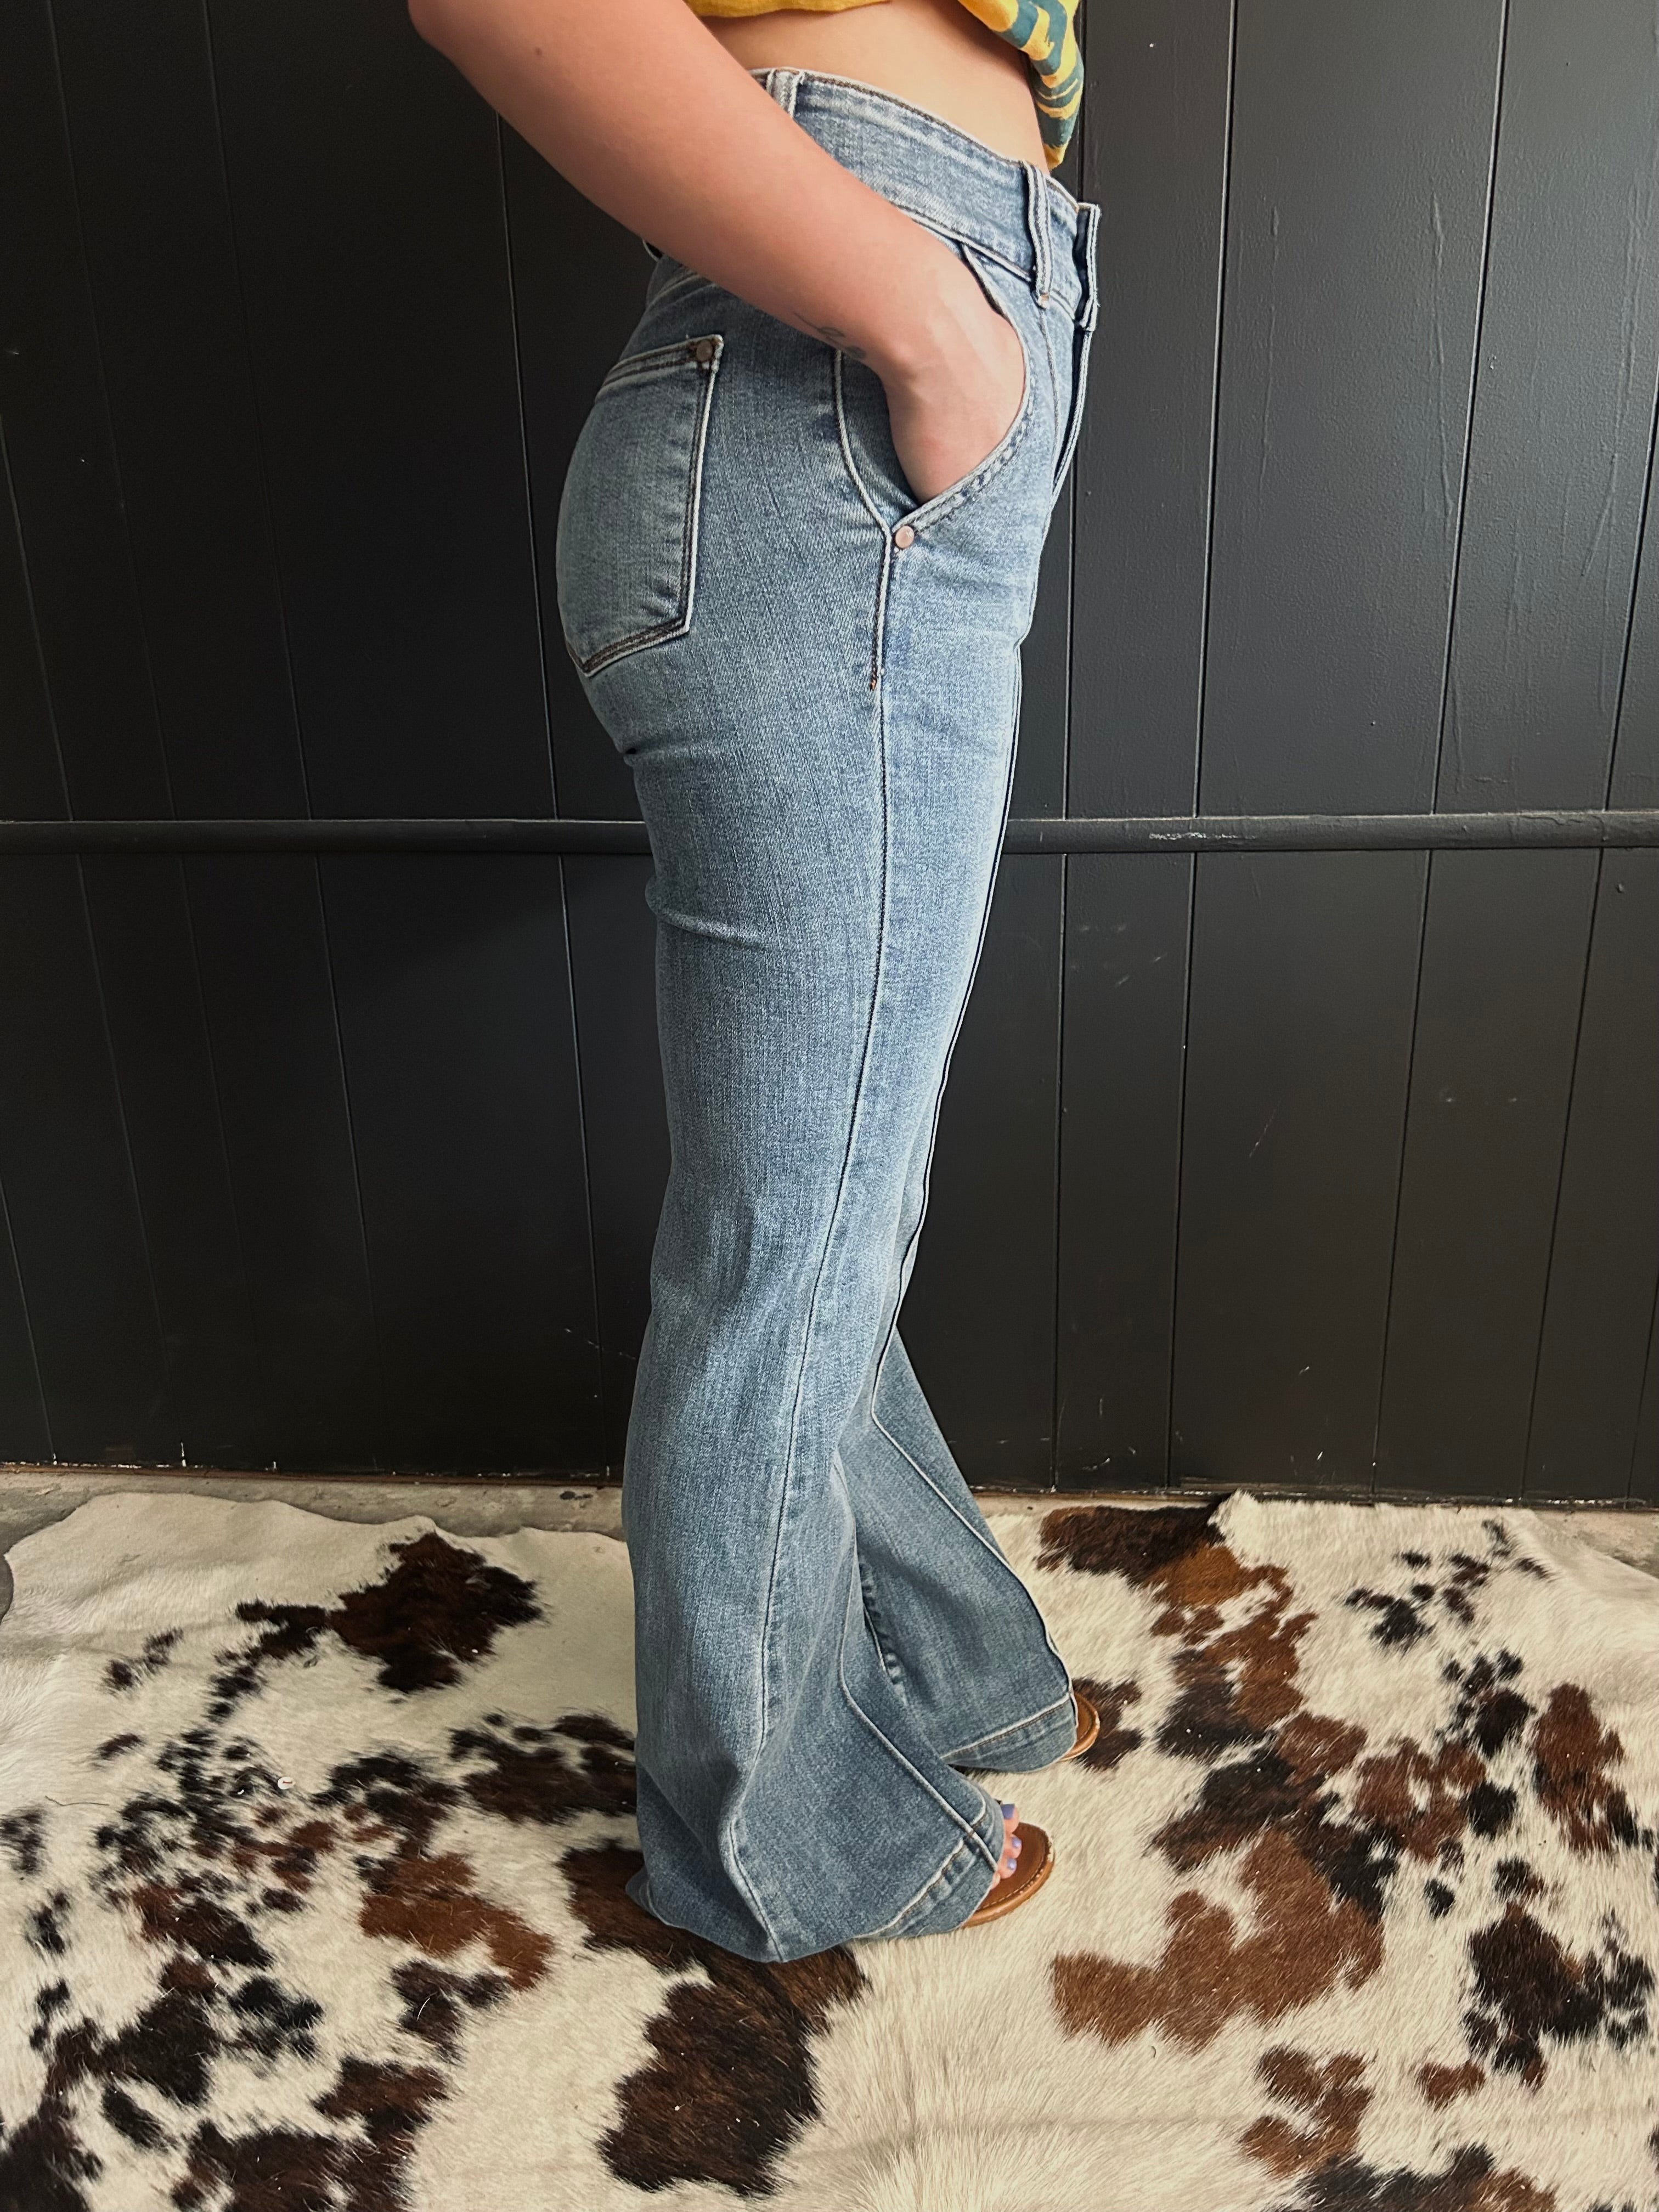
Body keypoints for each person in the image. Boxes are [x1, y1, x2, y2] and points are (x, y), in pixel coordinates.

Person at [409, 0, 1102, 1963]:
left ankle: (944, 1671)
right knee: (787, 1236)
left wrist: (956, 328)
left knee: (839, 1193)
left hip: (849, 392)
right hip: (830, 395)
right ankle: (775, 1843)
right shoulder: (890, 326)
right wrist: (932, 321)